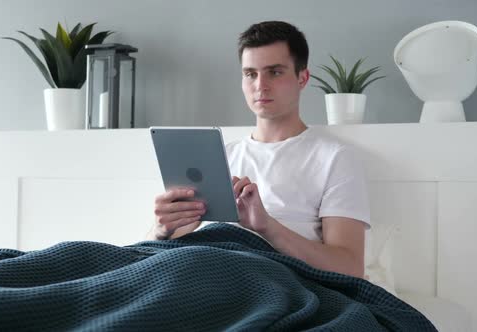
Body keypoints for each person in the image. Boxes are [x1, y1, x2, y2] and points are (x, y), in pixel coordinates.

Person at [147, 21, 370, 278]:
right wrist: (160, 231)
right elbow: (164, 250)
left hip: (266, 278)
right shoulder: (220, 157)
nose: (260, 85)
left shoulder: (335, 158)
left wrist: (267, 227)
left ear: (302, 78)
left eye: (274, 72)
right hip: (199, 267)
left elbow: (351, 269)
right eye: (250, 74)